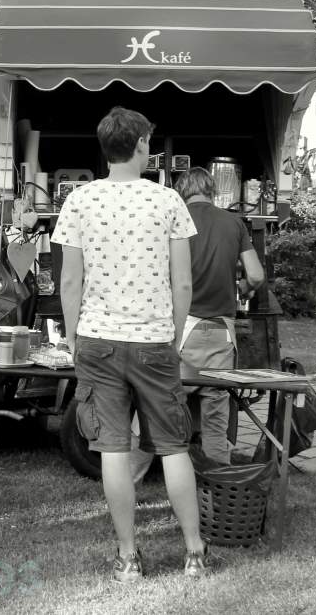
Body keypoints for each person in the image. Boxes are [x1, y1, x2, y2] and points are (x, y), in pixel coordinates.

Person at [53, 106, 208, 582]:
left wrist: (74, 336)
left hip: (98, 340)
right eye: (148, 141)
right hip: (155, 341)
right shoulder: (168, 202)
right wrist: (173, 334)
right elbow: (183, 284)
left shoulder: (78, 201)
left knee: (114, 450)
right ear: (141, 144)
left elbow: (70, 281)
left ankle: (127, 558)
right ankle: (194, 554)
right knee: (173, 447)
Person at [131, 167, 265, 476]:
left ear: (182, 192)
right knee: (215, 422)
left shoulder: (174, 219)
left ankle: (127, 482)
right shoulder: (234, 223)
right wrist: (243, 288)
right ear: (212, 191)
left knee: (154, 409)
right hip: (221, 332)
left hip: (180, 329)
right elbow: (256, 275)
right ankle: (220, 494)